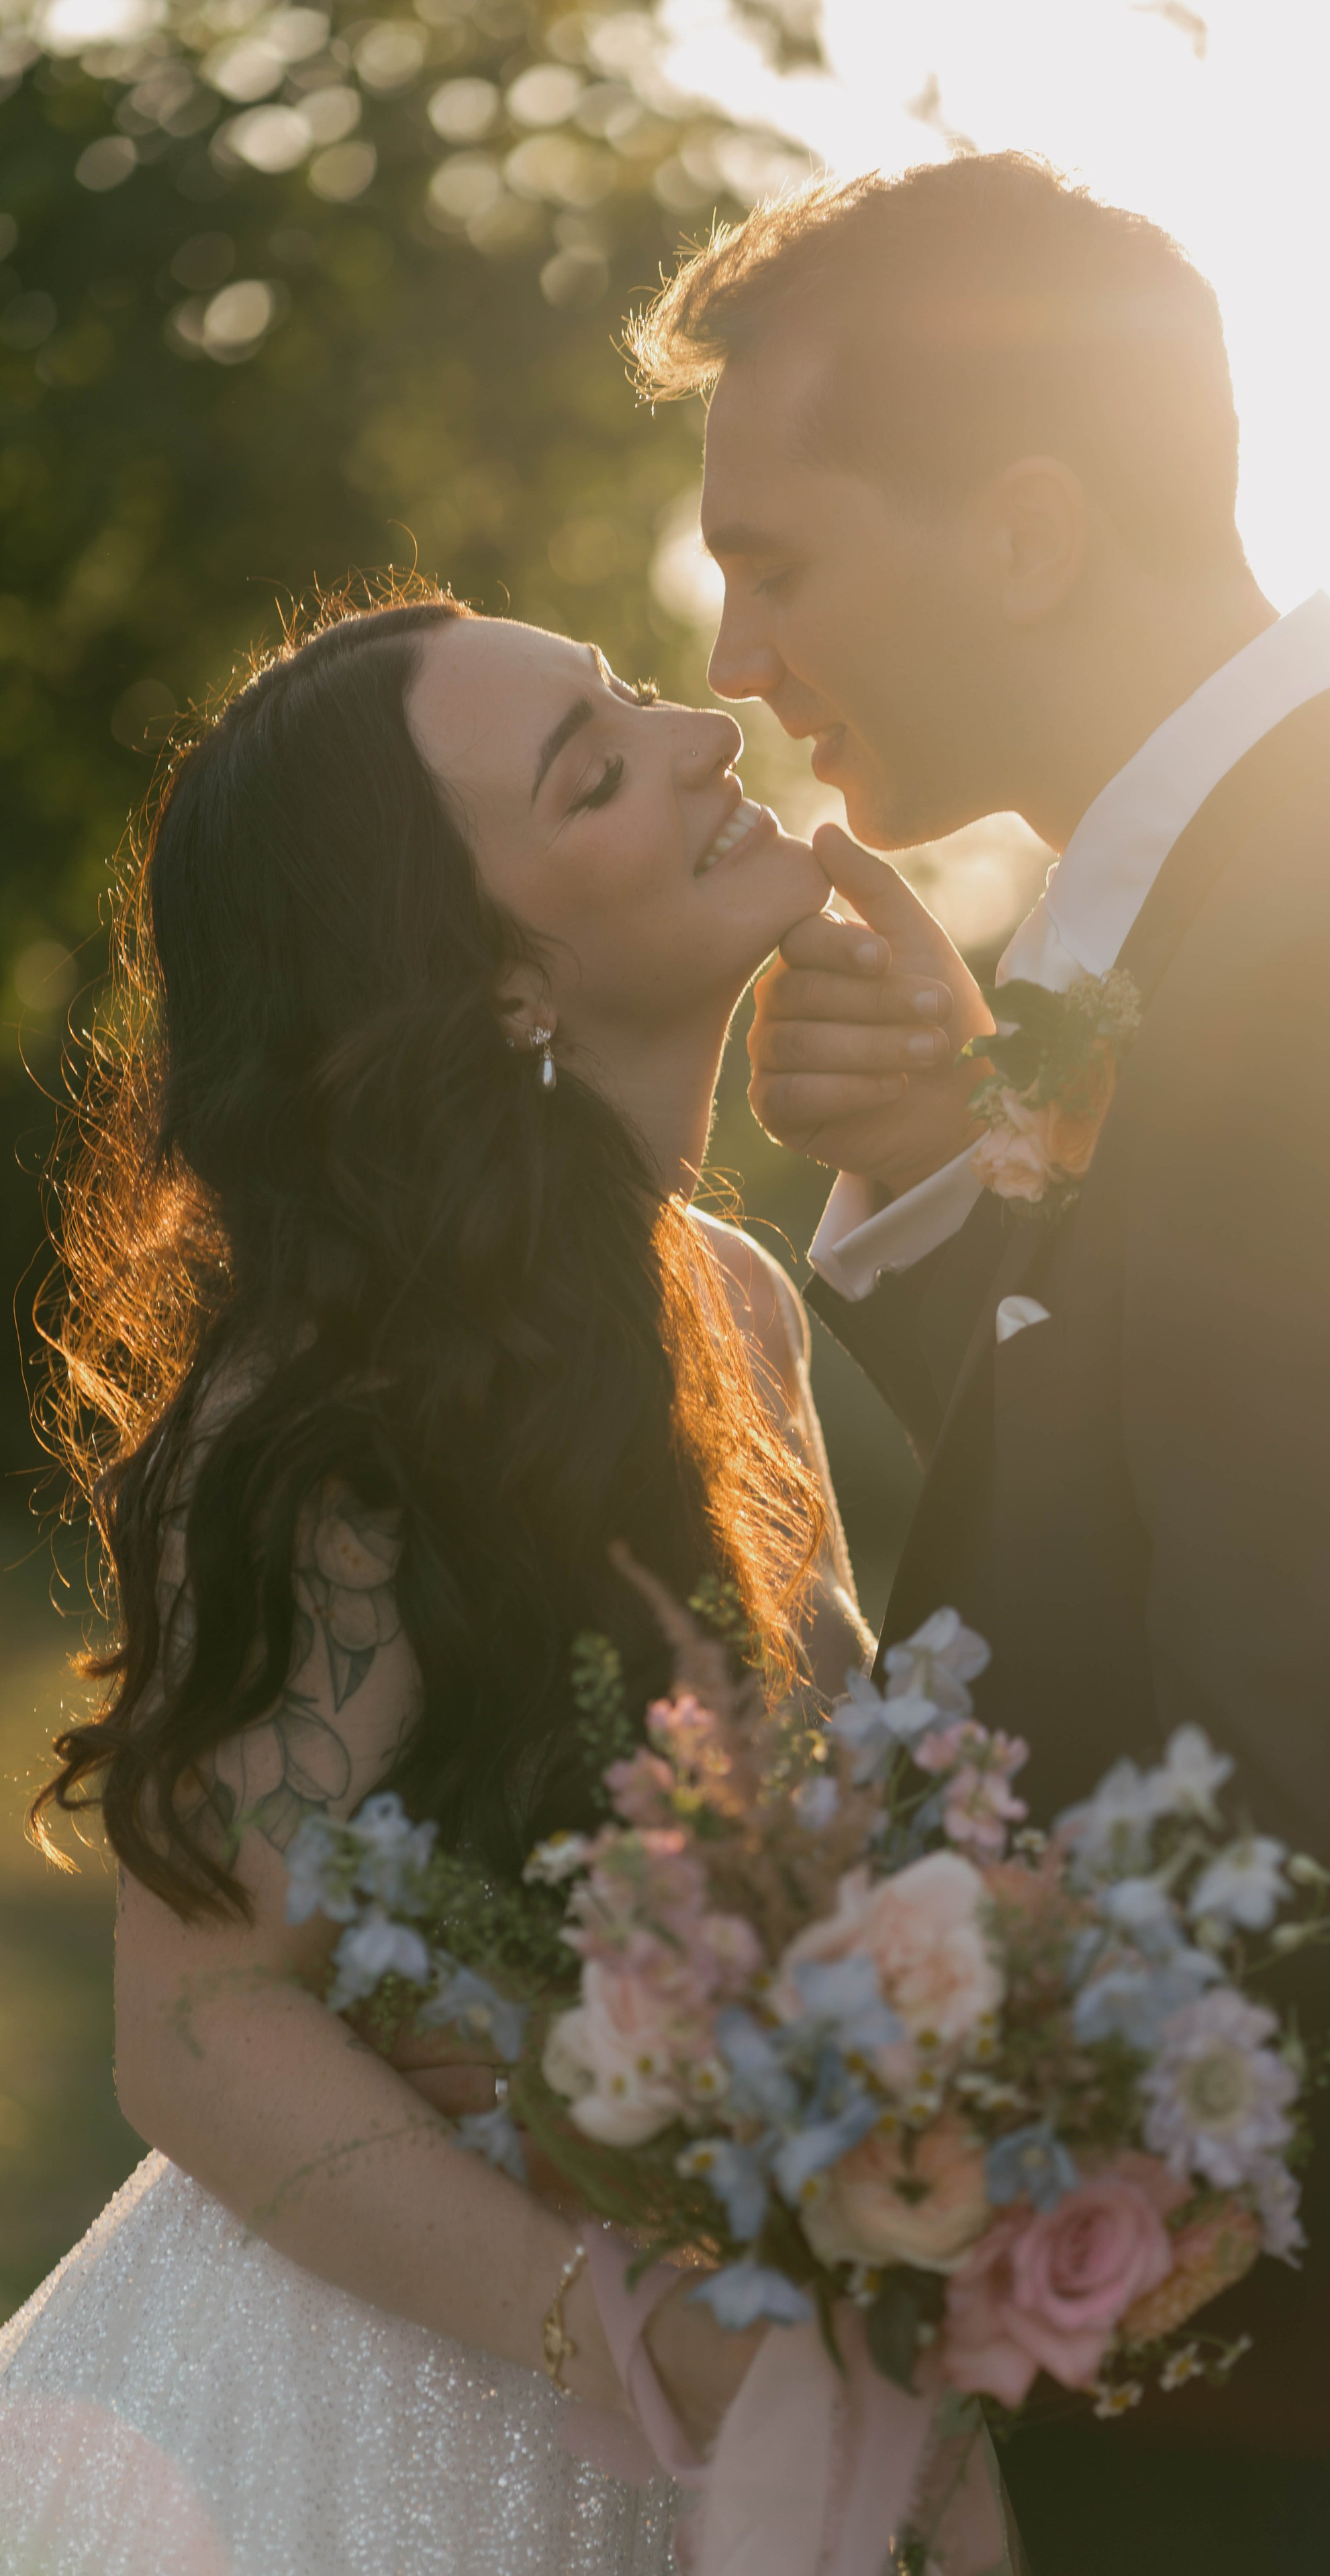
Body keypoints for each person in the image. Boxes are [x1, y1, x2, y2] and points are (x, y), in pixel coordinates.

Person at [630, 154, 1330, 2573]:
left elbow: (1324, 1783)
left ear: (1025, 534)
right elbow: (1243, 1445)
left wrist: (895, 2147)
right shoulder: (1319, 867)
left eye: (777, 559)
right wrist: (965, 1174)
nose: (733, 657)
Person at [0, 589, 870, 2576]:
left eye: (633, 695)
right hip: (391, 2436)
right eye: (596, 767)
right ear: (493, 989)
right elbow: (201, 2027)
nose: (707, 737)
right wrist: (631, 2337)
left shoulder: (735, 1304)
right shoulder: (334, 1405)